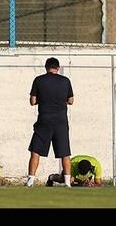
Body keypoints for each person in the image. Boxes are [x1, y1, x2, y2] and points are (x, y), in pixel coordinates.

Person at [26, 57, 74, 187]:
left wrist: (45, 99)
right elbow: (70, 101)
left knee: (35, 151)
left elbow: (32, 101)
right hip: (61, 122)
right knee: (65, 153)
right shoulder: (65, 81)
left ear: (46, 68)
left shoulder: (39, 80)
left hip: (44, 121)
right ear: (58, 68)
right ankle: (67, 182)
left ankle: (30, 180)